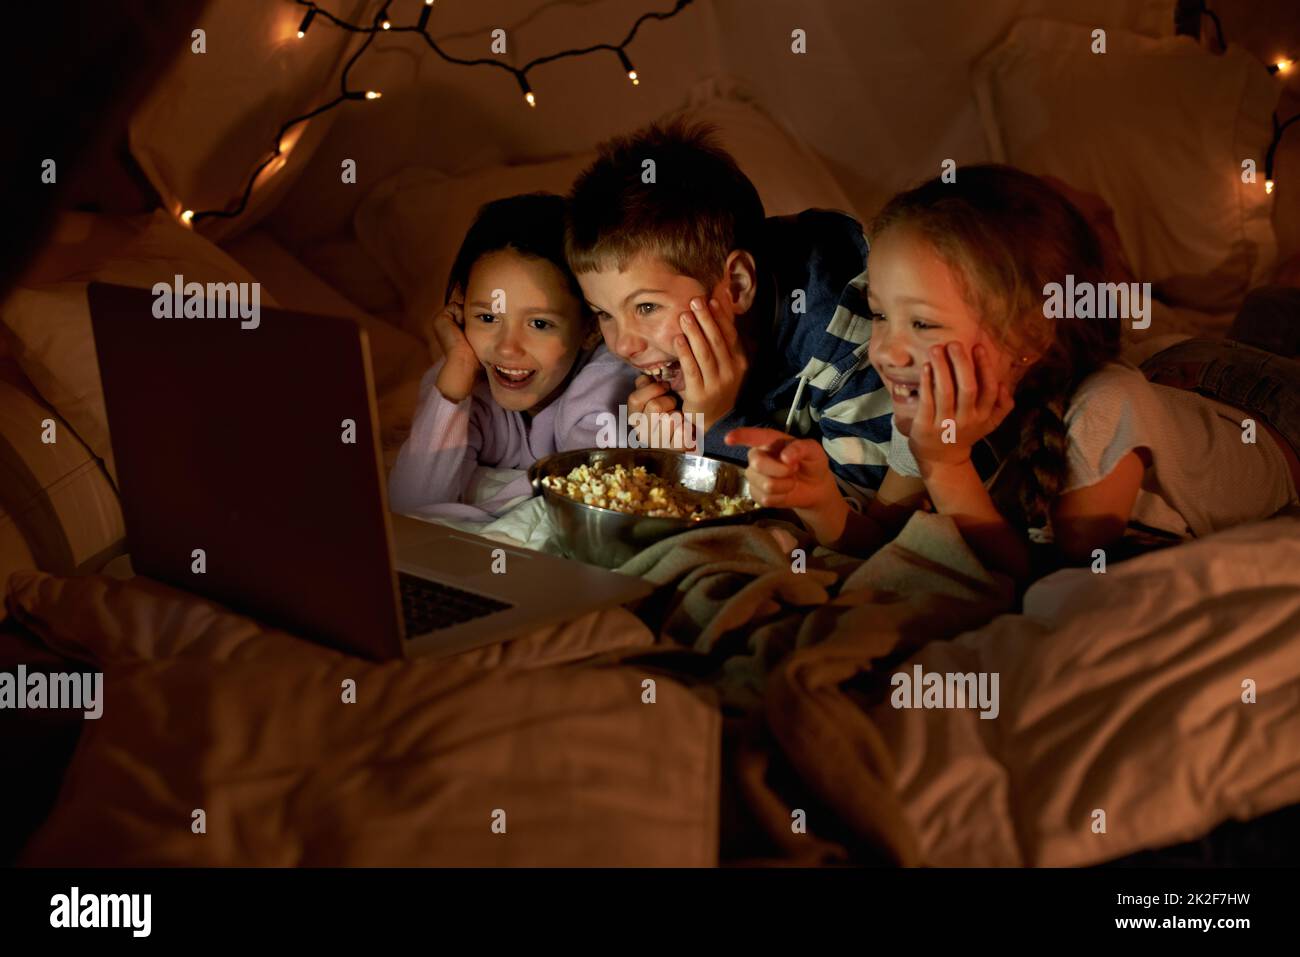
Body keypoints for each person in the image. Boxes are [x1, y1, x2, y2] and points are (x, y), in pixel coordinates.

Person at [727, 164, 1300, 585]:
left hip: (1261, 406)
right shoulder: (926, 401)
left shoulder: (1103, 411)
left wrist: (945, 465)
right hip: (1173, 375)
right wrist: (821, 501)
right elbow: (888, 543)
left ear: (1028, 334)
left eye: (923, 324)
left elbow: (1043, 586)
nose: (885, 349)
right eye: (879, 313)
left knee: (1274, 317)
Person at [566, 117, 892, 495]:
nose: (622, 345)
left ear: (736, 285)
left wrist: (718, 424)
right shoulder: (672, 347)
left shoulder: (849, 338)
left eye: (646, 308)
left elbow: (853, 509)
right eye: (604, 313)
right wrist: (677, 444)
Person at [388, 193, 636, 521]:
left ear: (590, 328)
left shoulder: (608, 383)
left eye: (539, 324)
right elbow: (407, 507)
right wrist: (459, 368)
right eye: (487, 318)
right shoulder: (459, 380)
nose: (507, 348)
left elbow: (579, 497)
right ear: (460, 309)